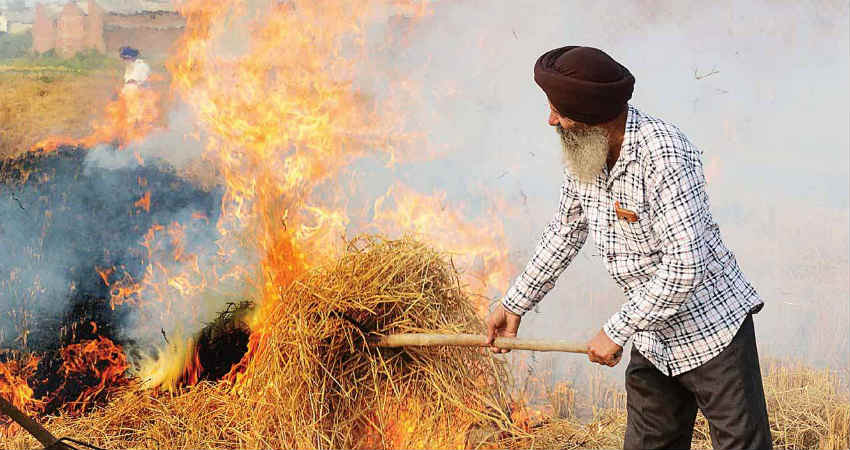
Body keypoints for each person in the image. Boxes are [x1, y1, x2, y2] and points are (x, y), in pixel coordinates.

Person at [485, 46, 772, 450]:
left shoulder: (664, 154)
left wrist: (616, 330)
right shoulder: (585, 155)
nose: (551, 120)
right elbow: (565, 232)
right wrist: (515, 303)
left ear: (592, 116)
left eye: (558, 111)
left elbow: (685, 267)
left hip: (714, 336)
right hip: (654, 338)